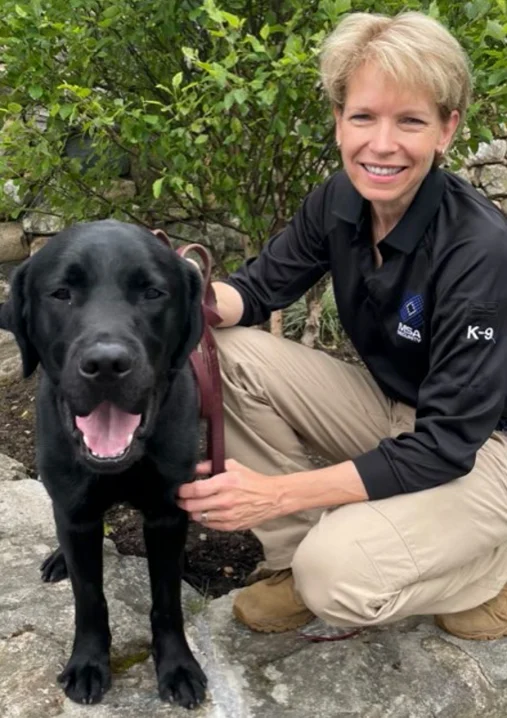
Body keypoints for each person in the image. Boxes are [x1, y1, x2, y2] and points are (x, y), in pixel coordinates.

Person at [177, 11, 507, 640]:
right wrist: (170, 293)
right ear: (338, 122)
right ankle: (289, 562)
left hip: (484, 446)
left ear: (446, 130)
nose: (381, 144)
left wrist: (277, 492)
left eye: (410, 120)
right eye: (363, 117)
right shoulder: (340, 200)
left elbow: (445, 446)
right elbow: (252, 292)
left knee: (338, 579)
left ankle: (492, 567)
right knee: (224, 349)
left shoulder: (478, 248)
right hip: (399, 408)